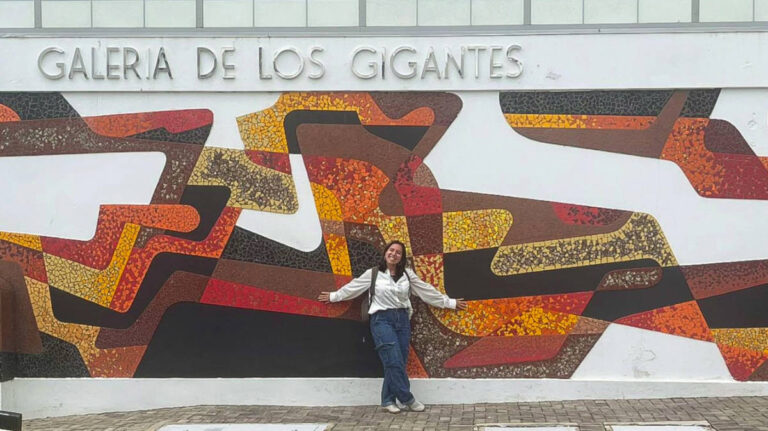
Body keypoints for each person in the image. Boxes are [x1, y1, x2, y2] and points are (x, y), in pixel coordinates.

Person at [318, 240, 468, 414]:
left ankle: (388, 400)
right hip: (381, 320)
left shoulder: (408, 275)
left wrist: (449, 302)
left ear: (401, 257)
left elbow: (426, 291)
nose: (394, 254)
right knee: (394, 360)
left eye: (398, 252)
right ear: (385, 252)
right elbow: (353, 288)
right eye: (391, 250)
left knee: (397, 362)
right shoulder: (373, 273)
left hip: (402, 320)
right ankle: (407, 398)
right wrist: (334, 296)